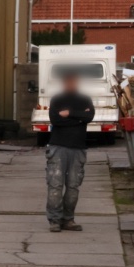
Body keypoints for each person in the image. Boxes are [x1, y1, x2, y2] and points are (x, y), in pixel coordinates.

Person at [46, 73, 94, 233]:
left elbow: (89, 116)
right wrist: (79, 117)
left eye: (74, 81)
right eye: (69, 82)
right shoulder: (57, 99)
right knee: (55, 185)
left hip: (78, 147)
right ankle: (54, 220)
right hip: (58, 147)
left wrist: (70, 113)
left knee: (73, 186)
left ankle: (68, 219)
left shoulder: (85, 99)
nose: (71, 84)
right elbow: (56, 120)